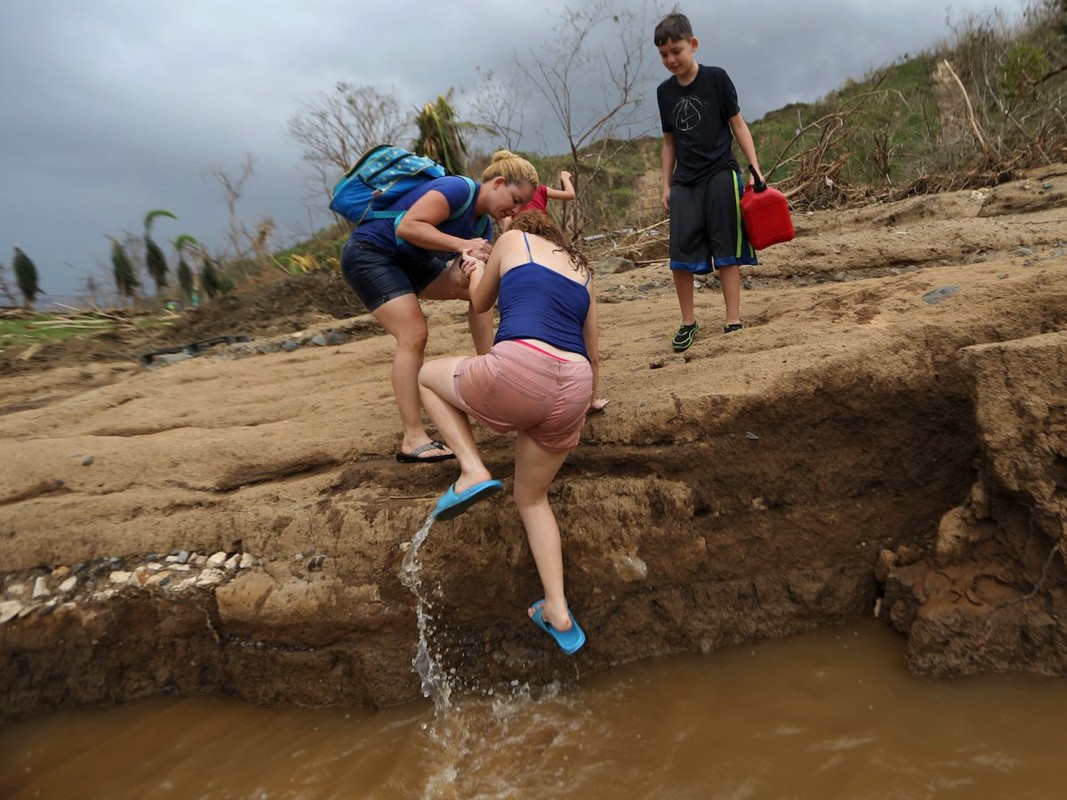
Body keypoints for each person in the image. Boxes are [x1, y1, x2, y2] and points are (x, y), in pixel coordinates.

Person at [417, 210, 603, 655]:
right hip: (575, 384)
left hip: (521, 366)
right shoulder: (582, 270)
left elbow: (480, 302)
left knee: (427, 377)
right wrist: (588, 401)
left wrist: (476, 267)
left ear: (520, 227)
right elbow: (594, 352)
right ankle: (557, 609)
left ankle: (472, 469)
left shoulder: (512, 237)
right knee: (532, 498)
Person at [341, 150, 539, 463]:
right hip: (372, 254)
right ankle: (413, 438)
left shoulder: (482, 228)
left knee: (481, 292)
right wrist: (461, 245)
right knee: (414, 334)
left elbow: (469, 283)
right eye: (514, 199)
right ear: (498, 183)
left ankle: (490, 365)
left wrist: (465, 274)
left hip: (414, 262)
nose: (513, 210)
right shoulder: (458, 188)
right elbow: (407, 226)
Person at [655, 11, 764, 352]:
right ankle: (689, 322)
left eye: (677, 50)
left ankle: (733, 319)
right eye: (664, 55)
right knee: (680, 253)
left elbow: (738, 125)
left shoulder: (717, 79)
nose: (671, 59)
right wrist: (666, 184)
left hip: (720, 172)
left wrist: (755, 169)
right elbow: (669, 141)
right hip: (685, 180)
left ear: (693, 44)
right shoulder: (664, 93)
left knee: (726, 248)